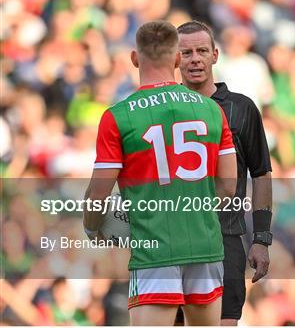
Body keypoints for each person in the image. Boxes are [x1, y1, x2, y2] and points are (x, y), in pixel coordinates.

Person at [83, 20, 237, 326]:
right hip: (204, 246)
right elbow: (228, 187)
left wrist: (93, 228)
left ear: (135, 58)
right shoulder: (211, 110)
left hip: (154, 251)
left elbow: (98, 196)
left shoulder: (119, 116)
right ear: (178, 58)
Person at [175, 20, 273, 326]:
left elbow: (262, 174)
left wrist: (262, 238)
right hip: (173, 241)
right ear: (174, 59)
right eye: (186, 52)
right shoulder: (164, 109)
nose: (195, 59)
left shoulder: (241, 109)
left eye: (202, 50)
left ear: (215, 54)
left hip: (225, 237)